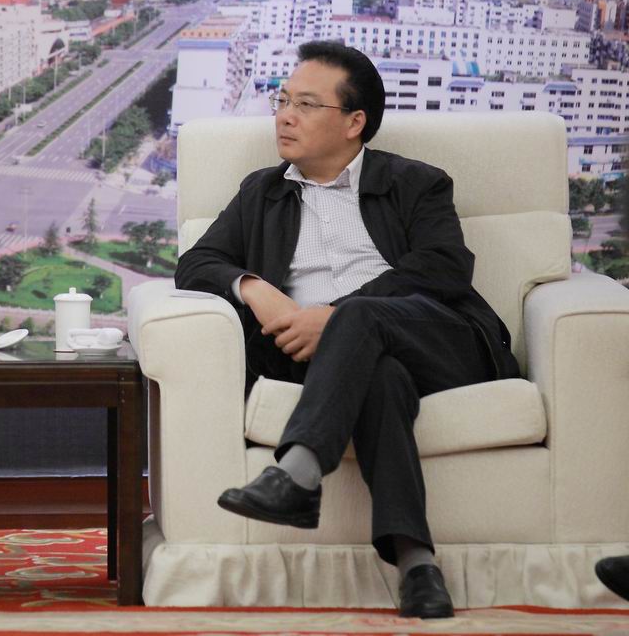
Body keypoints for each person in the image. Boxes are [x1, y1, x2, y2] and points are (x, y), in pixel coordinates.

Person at [175, 41, 519, 619]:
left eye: (306, 105)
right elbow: (197, 263)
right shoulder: (263, 191)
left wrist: (332, 317)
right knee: (379, 378)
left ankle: (297, 474)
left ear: (355, 122)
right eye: (283, 100)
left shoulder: (415, 182)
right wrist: (255, 288)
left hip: (439, 343)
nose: (285, 116)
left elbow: (444, 267)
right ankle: (418, 568)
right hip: (336, 364)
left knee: (356, 317)